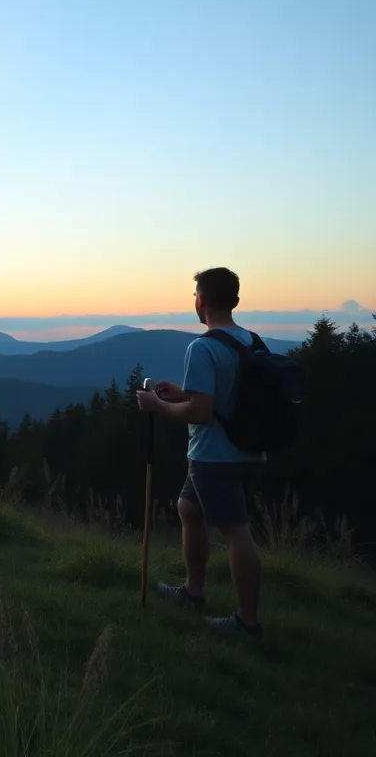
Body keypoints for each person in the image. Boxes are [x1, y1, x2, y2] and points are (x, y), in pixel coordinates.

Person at [136, 267, 264, 640]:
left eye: (195, 294)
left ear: (202, 300)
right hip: (250, 452)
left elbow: (200, 413)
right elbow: (223, 399)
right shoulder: (253, 342)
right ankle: (193, 592)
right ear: (236, 301)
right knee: (188, 509)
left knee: (235, 532)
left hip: (215, 456)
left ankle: (247, 623)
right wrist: (181, 393)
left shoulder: (203, 346)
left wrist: (157, 407)